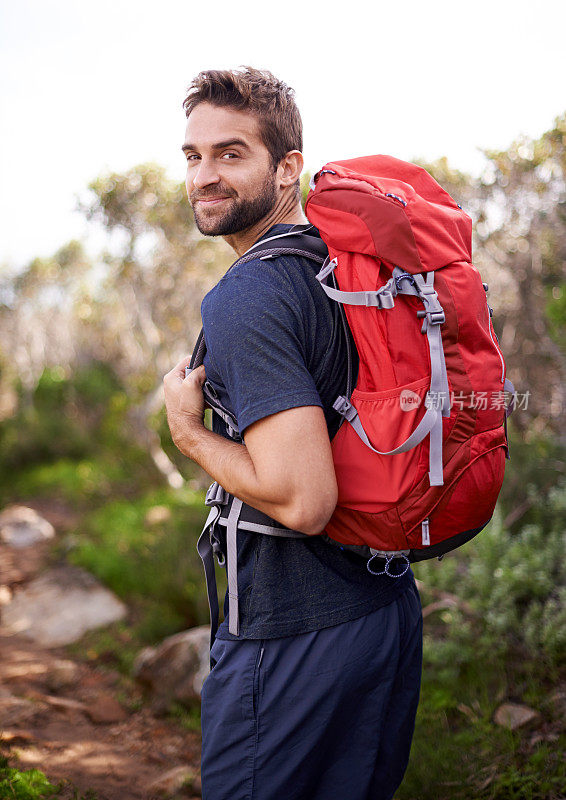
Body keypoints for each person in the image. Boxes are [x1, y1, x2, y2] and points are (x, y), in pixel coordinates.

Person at [163, 67, 423, 800]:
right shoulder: (343, 272)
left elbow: (304, 499)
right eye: (193, 156)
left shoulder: (248, 295)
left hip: (294, 640)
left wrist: (189, 432)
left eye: (230, 154)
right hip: (384, 610)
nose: (204, 177)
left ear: (288, 169)